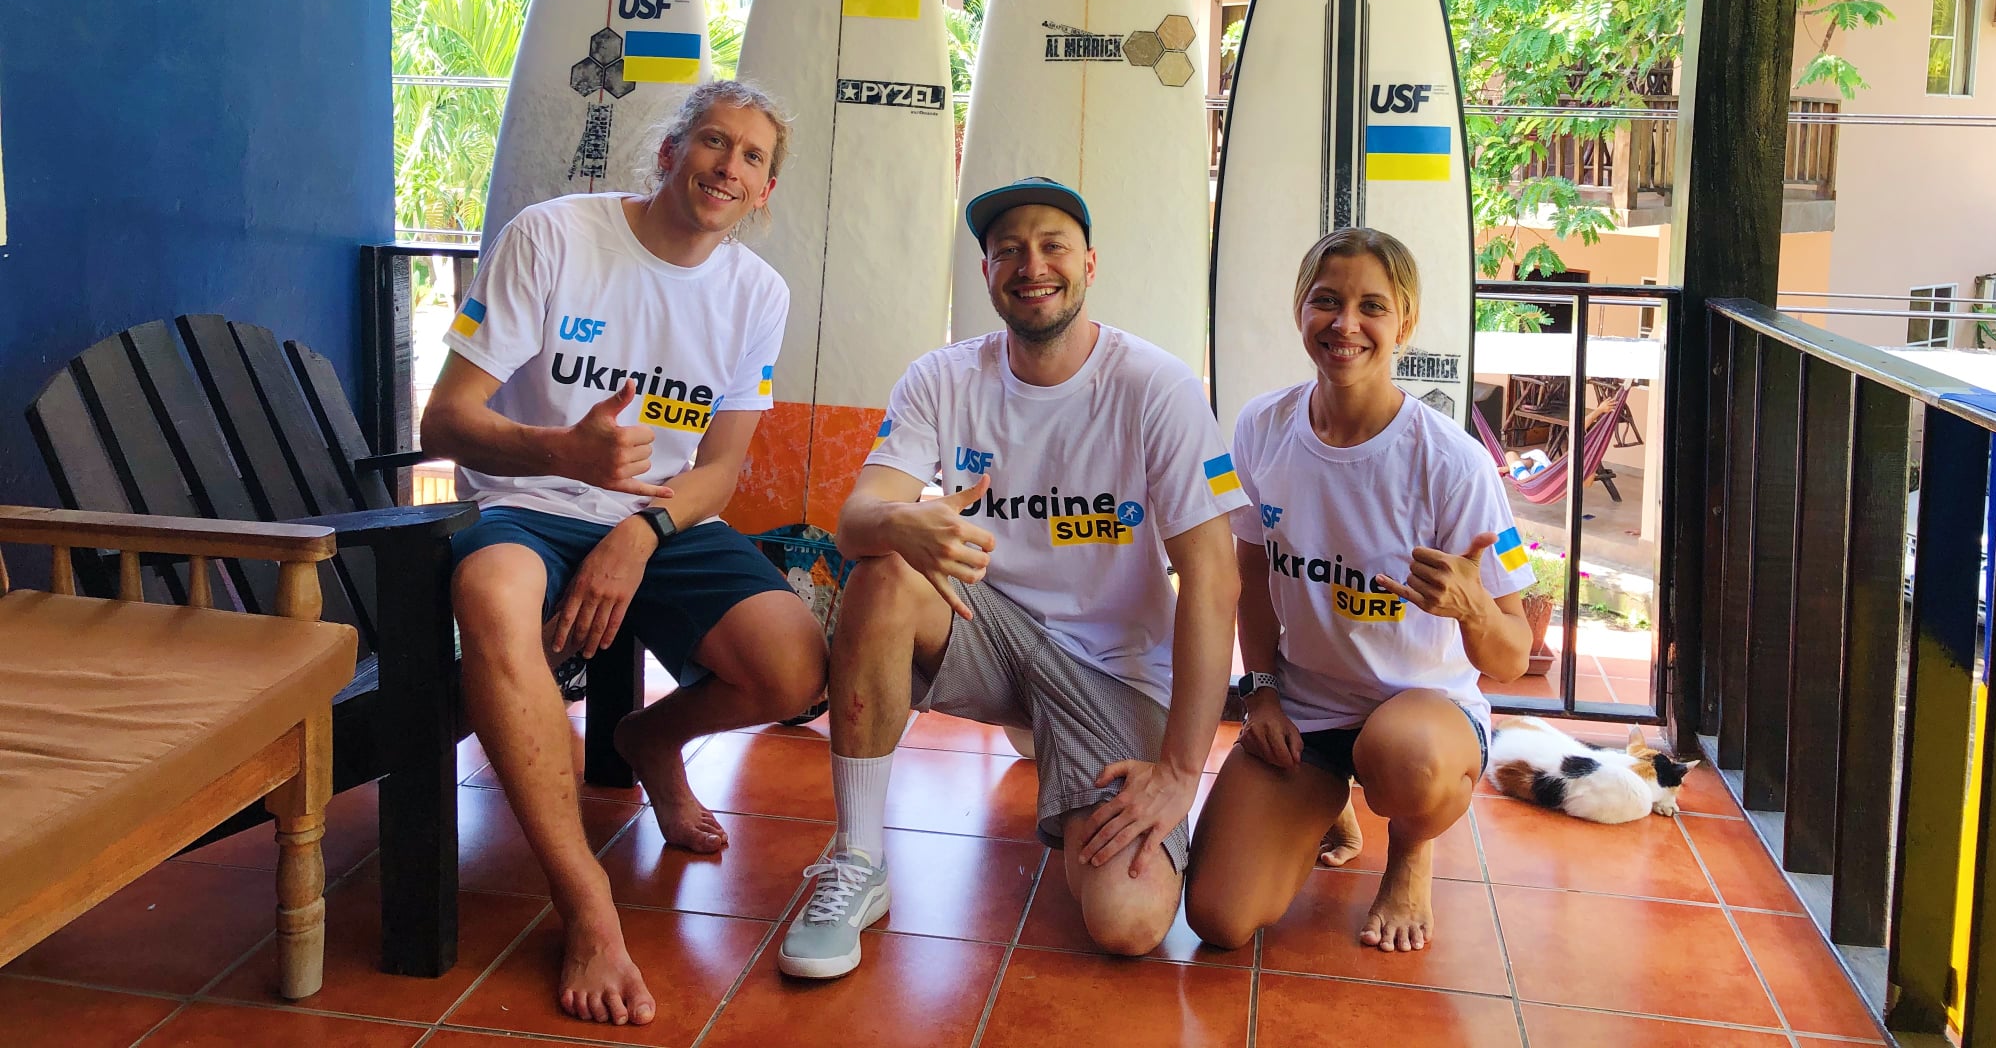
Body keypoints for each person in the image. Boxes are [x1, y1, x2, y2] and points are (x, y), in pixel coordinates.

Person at [421, 80, 827, 1027]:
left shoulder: (757, 293)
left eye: (753, 157)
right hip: (529, 501)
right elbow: (445, 420)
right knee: (490, 596)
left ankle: (649, 738)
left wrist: (639, 533)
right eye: (713, 142)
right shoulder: (554, 236)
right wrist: (565, 454)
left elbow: (720, 469)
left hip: (664, 520)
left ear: (765, 190)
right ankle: (587, 903)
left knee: (793, 665)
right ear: (668, 153)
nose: (730, 166)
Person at [776, 176, 1244, 979]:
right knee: (884, 571)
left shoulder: (1158, 387)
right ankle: (858, 858)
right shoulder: (942, 377)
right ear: (987, 273)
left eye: (1052, 245)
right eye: (1008, 251)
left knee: (1128, 925)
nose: (1032, 265)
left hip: (1112, 670)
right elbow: (856, 518)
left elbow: (1214, 578)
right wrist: (901, 522)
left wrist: (1176, 773)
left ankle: (1070, 752)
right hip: (987, 633)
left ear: (1089, 264)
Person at [1184, 228, 1534, 955]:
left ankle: (1410, 852)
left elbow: (1511, 656)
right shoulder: (1259, 427)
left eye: (1372, 306)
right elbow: (1247, 574)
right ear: (1300, 312)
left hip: (1421, 719)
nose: (1346, 324)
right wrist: (1264, 693)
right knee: (1218, 917)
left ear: (1404, 324)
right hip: (1308, 712)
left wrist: (1471, 606)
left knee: (1407, 762)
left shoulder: (1456, 466)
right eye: (1327, 302)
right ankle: (1327, 798)